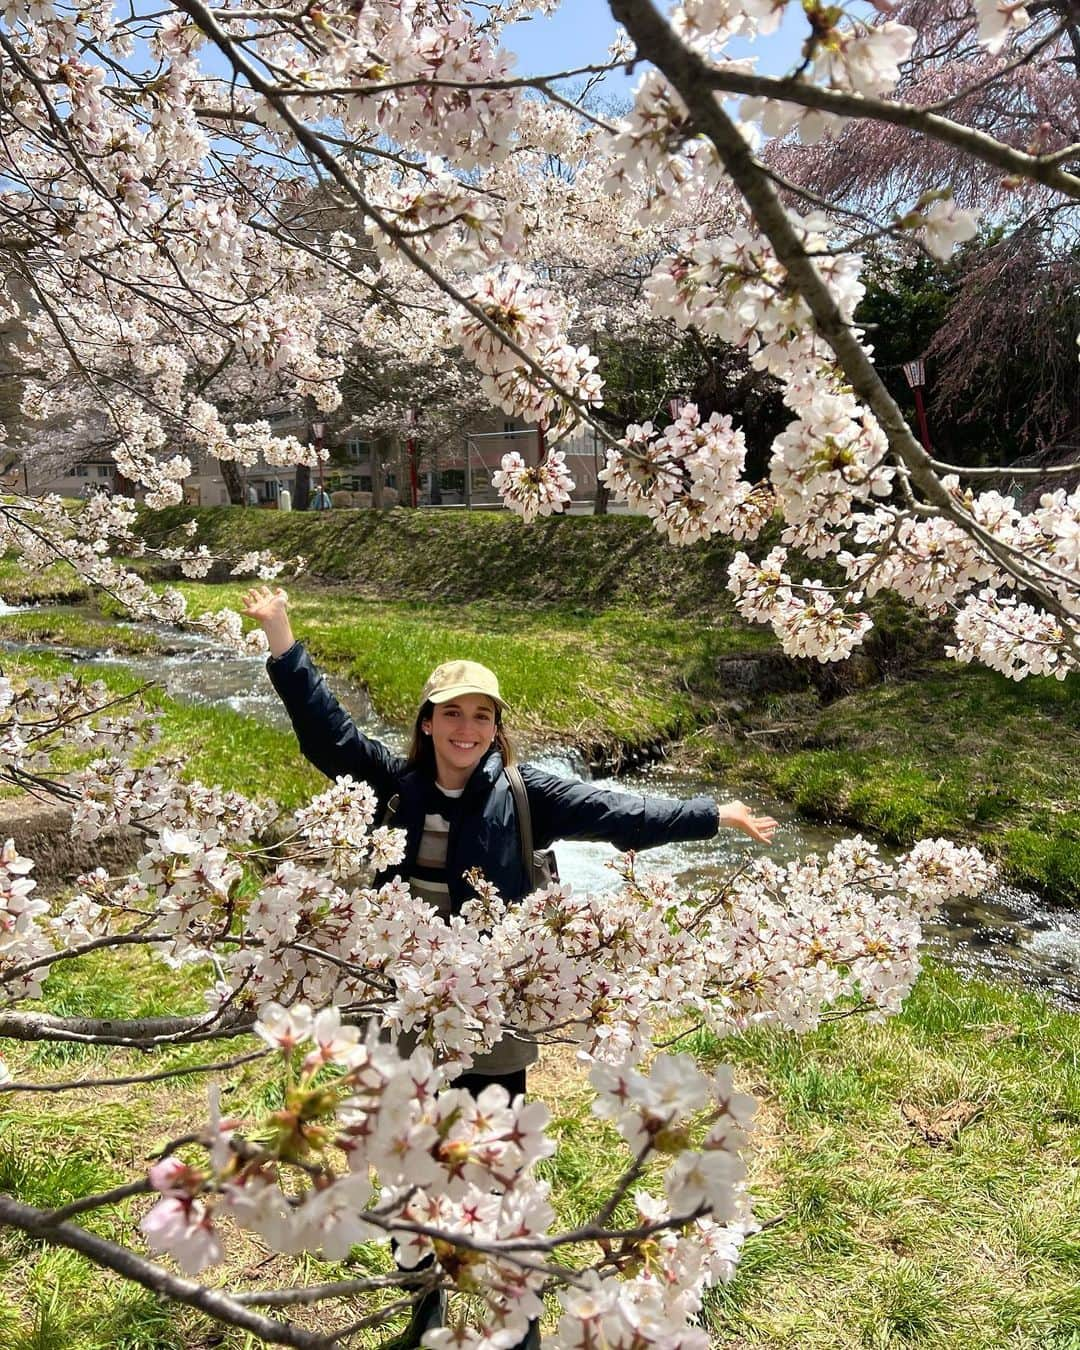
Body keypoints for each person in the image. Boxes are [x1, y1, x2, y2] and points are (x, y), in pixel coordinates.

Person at [241, 583, 778, 1347]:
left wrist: (710, 815)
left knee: (497, 1155)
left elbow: (615, 810)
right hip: (408, 1009)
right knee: (413, 1152)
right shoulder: (391, 789)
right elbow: (326, 735)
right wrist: (281, 636)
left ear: (497, 729)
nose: (467, 728)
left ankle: (511, 1309)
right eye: (452, 713)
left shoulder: (527, 795)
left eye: (482, 716)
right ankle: (422, 1293)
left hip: (495, 1011)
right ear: (428, 722)